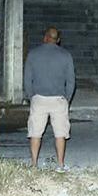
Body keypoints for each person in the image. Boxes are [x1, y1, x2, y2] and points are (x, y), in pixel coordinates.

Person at [24, 26, 76, 171]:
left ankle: (34, 164)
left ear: (45, 37)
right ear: (58, 40)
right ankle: (60, 164)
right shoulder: (65, 55)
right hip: (58, 99)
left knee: (35, 133)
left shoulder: (33, 54)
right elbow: (71, 80)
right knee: (60, 134)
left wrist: (31, 96)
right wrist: (67, 98)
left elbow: (27, 79)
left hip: (39, 98)